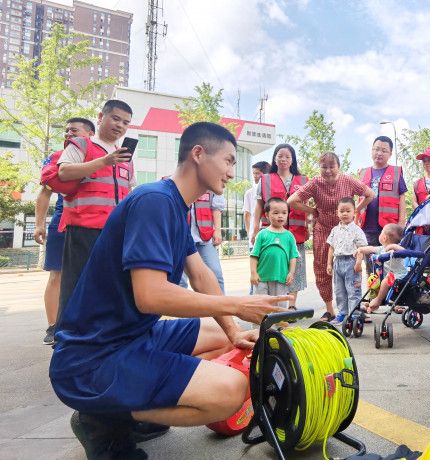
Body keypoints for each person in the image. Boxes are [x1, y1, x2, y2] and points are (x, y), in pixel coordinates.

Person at [49, 122, 290, 459]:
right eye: (229, 161)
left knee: (219, 334)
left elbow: (201, 276)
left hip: (132, 338)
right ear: (198, 154)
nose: (232, 173)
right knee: (230, 392)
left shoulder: (174, 205)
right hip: (92, 359)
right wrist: (237, 304)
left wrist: (234, 330)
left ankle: (134, 398)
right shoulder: (154, 202)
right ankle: (102, 419)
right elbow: (151, 296)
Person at [55, 99, 135, 332]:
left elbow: (129, 189)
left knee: (110, 283)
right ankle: (66, 338)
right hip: (83, 227)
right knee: (76, 284)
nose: (120, 125)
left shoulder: (126, 156)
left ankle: (101, 334)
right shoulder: (81, 144)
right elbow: (64, 171)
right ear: (101, 117)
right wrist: (104, 161)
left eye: (126, 123)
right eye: (115, 118)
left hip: (114, 230)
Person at [287, 152, 375, 321]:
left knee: (351, 270)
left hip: (347, 231)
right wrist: (312, 210)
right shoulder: (315, 183)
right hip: (323, 231)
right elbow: (292, 201)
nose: (327, 170)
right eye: (324, 167)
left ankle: (354, 309)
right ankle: (330, 310)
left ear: (338, 167)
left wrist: (357, 209)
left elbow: (370, 194)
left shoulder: (348, 180)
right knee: (322, 269)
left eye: (331, 166)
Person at [34, 117, 95, 345]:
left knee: (92, 276)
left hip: (94, 224)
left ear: (89, 134)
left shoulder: (104, 156)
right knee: (57, 275)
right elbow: (45, 193)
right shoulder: (57, 159)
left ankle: (87, 324)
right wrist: (39, 223)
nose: (69, 134)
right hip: (63, 221)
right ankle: (53, 327)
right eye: (67, 130)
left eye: (75, 131)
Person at [252, 145, 308, 310]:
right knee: (271, 267)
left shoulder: (303, 180)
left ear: (293, 160)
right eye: (280, 156)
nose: (283, 159)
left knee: (295, 267)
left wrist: (309, 227)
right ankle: (270, 304)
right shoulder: (265, 179)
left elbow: (306, 206)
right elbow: (258, 206)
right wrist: (255, 227)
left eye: (287, 156)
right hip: (270, 233)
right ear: (275, 158)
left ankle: (291, 305)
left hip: (296, 233)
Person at [358, 136, 408, 253]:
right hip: (367, 226)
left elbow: (402, 197)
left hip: (389, 228)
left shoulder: (396, 172)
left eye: (384, 150)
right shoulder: (363, 173)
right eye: (376, 149)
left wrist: (401, 223)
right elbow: (358, 199)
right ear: (372, 150)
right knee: (371, 263)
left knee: (389, 262)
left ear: (390, 153)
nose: (379, 153)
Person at [326, 197, 368, 325]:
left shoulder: (357, 230)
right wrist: (329, 263)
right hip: (338, 262)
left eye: (348, 211)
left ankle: (354, 315)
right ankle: (342, 313)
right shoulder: (335, 230)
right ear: (337, 212)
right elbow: (331, 247)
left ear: (354, 212)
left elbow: (361, 248)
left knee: (353, 291)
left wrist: (358, 263)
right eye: (342, 211)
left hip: (351, 262)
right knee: (339, 291)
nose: (344, 213)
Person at [250, 197, 297, 307]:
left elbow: (293, 257)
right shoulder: (262, 234)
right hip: (261, 278)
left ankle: (279, 324)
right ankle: (260, 325)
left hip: (281, 278)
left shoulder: (289, 236)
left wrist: (291, 273)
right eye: (276, 213)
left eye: (284, 213)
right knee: (261, 305)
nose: (280, 216)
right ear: (267, 215)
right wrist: (253, 273)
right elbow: (254, 256)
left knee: (280, 305)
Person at [355, 223, 407, 312]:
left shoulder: (396, 250)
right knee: (374, 280)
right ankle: (373, 300)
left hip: (399, 275)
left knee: (385, 282)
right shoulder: (382, 248)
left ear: (384, 238)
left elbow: (406, 252)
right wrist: (360, 250)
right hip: (387, 275)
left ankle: (378, 301)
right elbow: (371, 248)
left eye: (381, 232)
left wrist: (394, 247)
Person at [180, 191, 226, 293]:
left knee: (216, 273)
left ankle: (221, 307)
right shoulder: (174, 181)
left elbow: (216, 209)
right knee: (180, 280)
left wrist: (217, 230)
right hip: (180, 239)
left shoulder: (211, 184)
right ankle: (179, 308)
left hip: (204, 238)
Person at [243, 161, 269, 249]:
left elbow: (247, 214)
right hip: (256, 235)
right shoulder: (249, 192)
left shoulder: (249, 193)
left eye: (257, 173)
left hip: (262, 232)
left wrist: (249, 232)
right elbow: (246, 214)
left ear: (266, 174)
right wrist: (249, 232)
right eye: (253, 173)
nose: (254, 176)